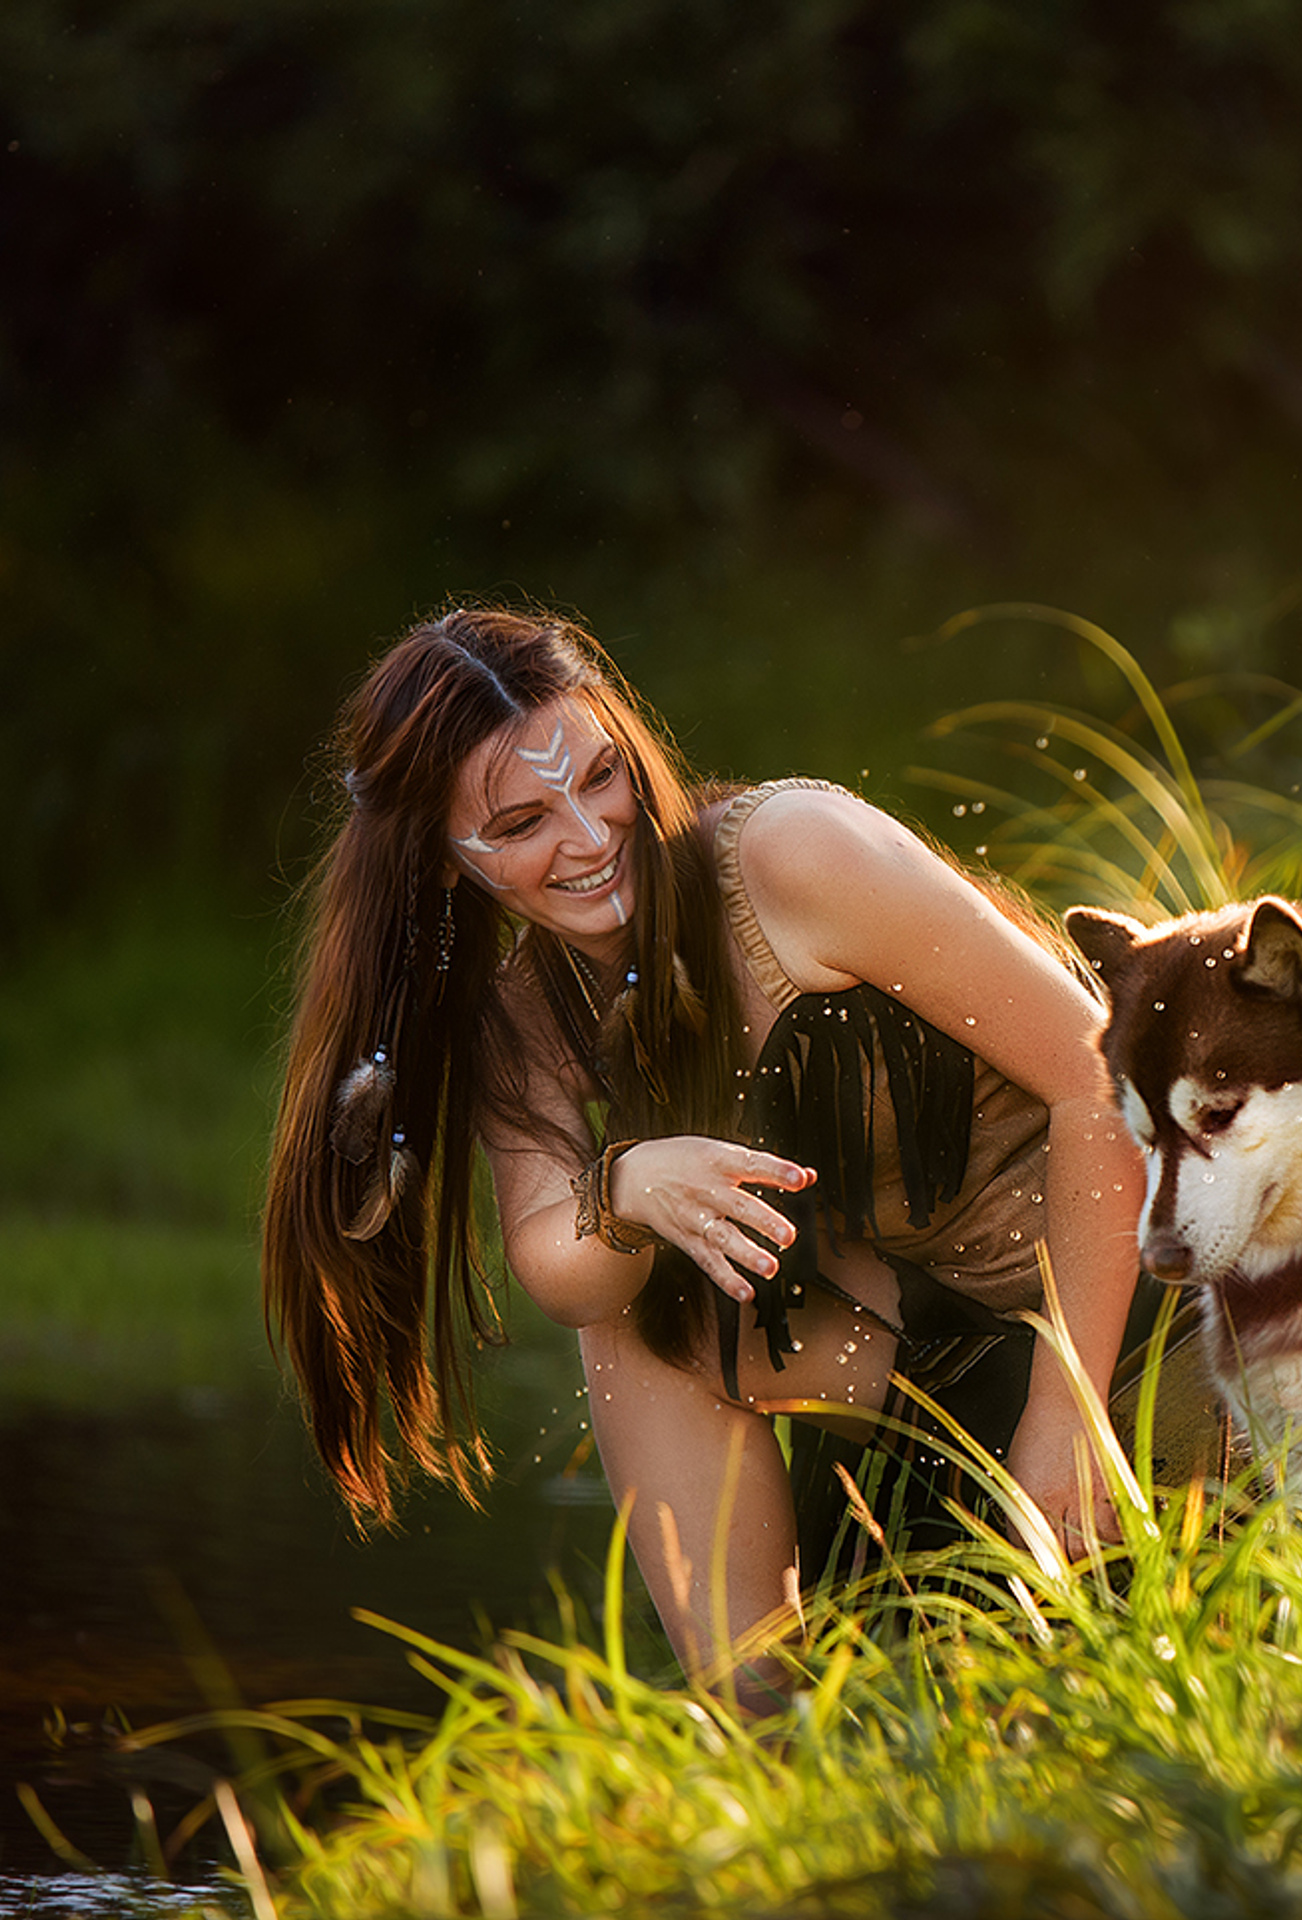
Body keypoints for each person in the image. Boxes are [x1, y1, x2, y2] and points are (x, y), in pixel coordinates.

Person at [262, 605, 1158, 1700]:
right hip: (944, 1344)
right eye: (521, 823)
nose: (590, 838)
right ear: (445, 864)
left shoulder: (789, 859)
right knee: (638, 1322)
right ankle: (759, 1728)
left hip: (1137, 1289)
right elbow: (557, 1265)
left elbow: (1099, 1074)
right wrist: (624, 1188)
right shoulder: (524, 1019)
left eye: (601, 777)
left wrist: (1068, 1416)